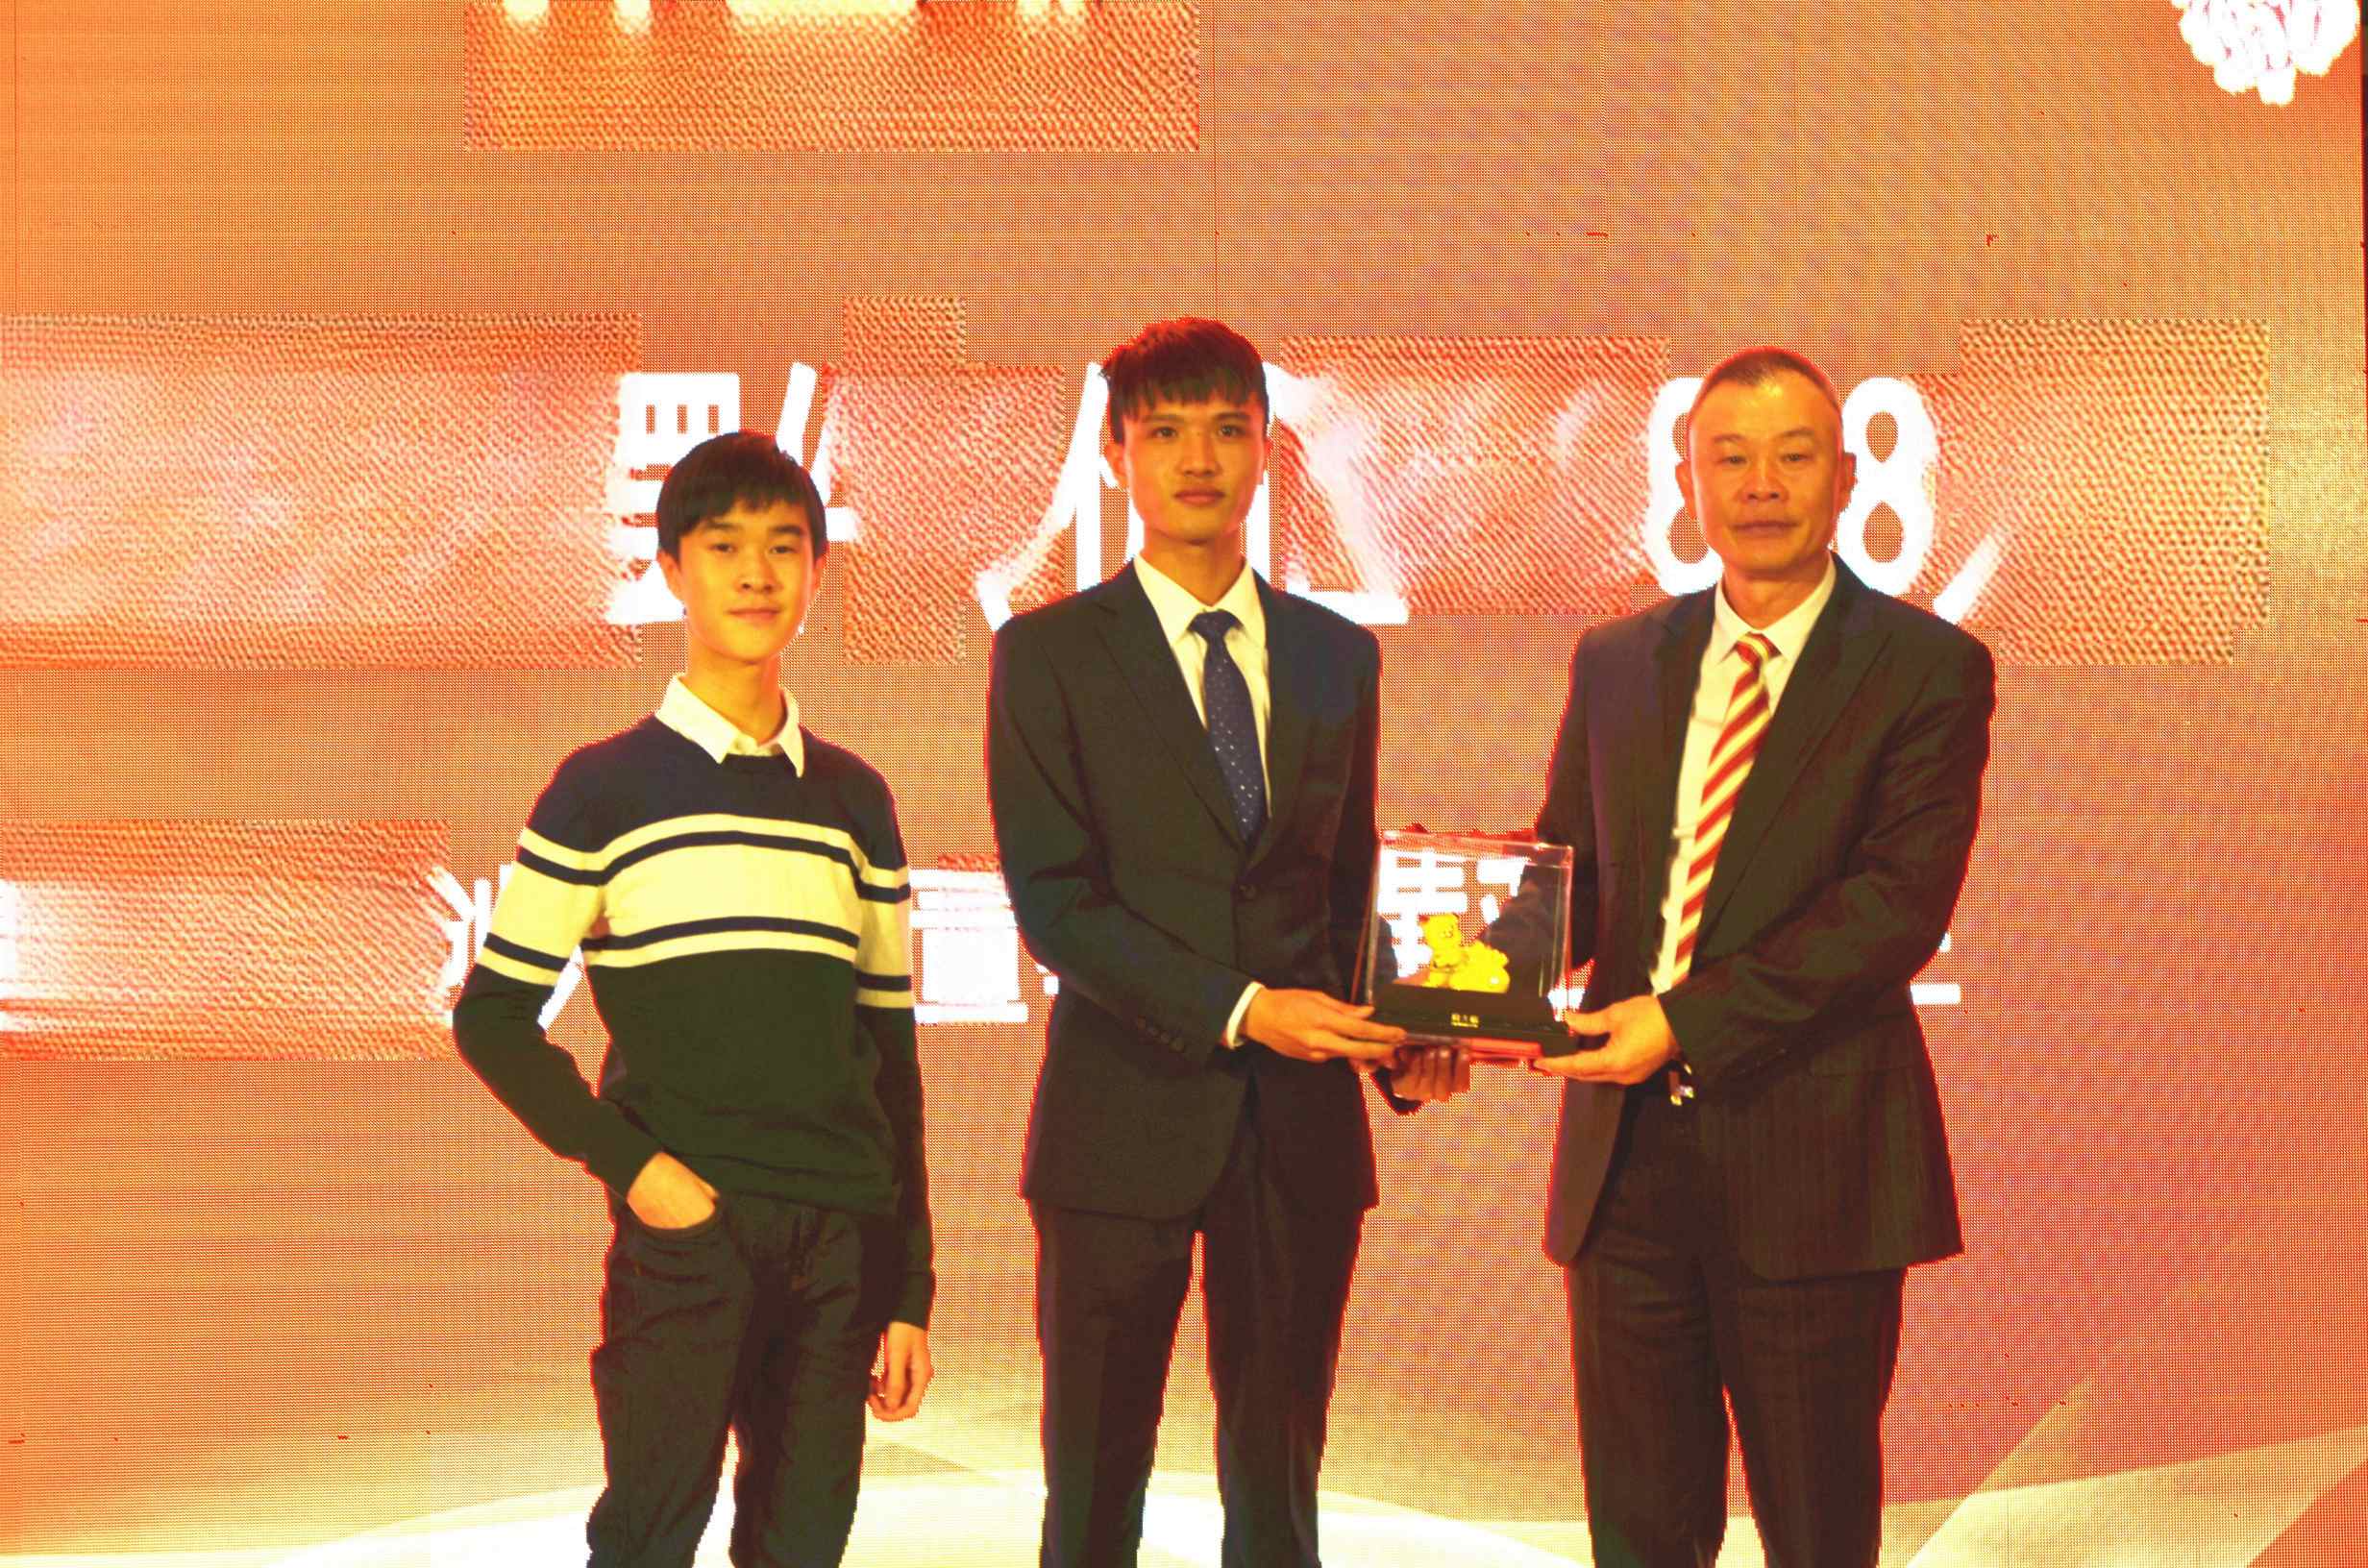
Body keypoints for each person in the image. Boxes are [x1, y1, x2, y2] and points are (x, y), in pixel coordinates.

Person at [986, 316, 1468, 1568]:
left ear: (1267, 448)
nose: (1197, 458)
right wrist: (1247, 1010)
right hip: (1117, 1128)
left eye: (1227, 429)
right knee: (1092, 1496)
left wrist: (1404, 1042)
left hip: (1299, 1137)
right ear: (1114, 453)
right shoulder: (1048, 654)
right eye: (1165, 431)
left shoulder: (1335, 656)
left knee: (1280, 1495)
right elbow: (1056, 903)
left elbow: (1345, 890)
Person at [1529, 347, 1994, 1568]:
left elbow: (1893, 908)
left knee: (1817, 1535)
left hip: (1813, 1172)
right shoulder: (1617, 660)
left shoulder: (1924, 668)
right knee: (1638, 1537)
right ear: (1687, 482)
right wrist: (1449, 992)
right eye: (1727, 458)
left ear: (1845, 475)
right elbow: (1574, 882)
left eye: (1792, 456)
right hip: (1625, 1181)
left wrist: (1679, 1021)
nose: (1760, 485)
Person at [454, 430, 933, 1567]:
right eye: (723, 547)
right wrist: (639, 1171)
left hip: (839, 1245)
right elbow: (491, 1019)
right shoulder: (602, 790)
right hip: (691, 1233)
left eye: (784, 546)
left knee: (803, 1547)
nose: (756, 574)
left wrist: (908, 1288)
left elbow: (889, 1060)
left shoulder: (855, 800)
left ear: (818, 569)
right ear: (671, 568)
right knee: (647, 1539)